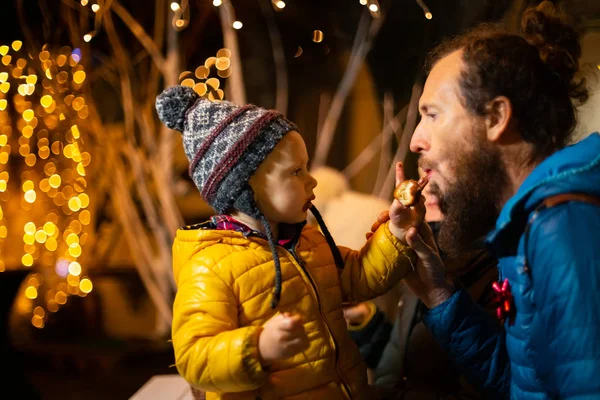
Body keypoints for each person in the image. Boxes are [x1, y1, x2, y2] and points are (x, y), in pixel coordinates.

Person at [154, 85, 426, 399]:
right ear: (244, 189)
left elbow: (358, 276)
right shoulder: (209, 267)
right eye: (296, 171)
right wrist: (256, 348)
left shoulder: (306, 241)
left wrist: (394, 233)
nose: (312, 181)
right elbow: (194, 357)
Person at [396, 2, 600, 399]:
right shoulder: (530, 224)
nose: (415, 140)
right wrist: (438, 293)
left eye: (432, 114)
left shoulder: (564, 223)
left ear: (496, 118)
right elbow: (529, 384)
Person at [347, 169, 499, 399]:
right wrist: (367, 323)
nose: (425, 185)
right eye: (424, 171)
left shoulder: (500, 273)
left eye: (441, 165)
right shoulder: (426, 250)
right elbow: (407, 365)